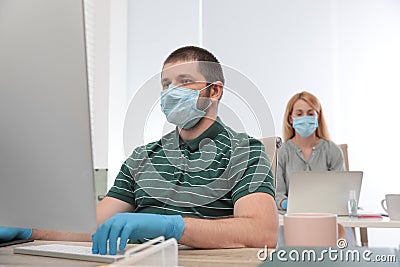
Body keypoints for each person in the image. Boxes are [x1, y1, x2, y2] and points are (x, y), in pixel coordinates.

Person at [0, 46, 278, 255]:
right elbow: (94, 225)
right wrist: (28, 229)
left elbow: (262, 232)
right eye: (166, 85)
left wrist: (173, 227)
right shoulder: (142, 157)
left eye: (183, 82)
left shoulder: (246, 151)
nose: (171, 92)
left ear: (214, 91)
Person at [275, 91, 345, 210]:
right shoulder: (283, 152)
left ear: (318, 118)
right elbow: (277, 195)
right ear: (290, 118)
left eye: (310, 113)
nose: (305, 118)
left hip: (327, 215)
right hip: (293, 217)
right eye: (299, 113)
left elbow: (342, 192)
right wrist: (287, 204)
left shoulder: (332, 150)